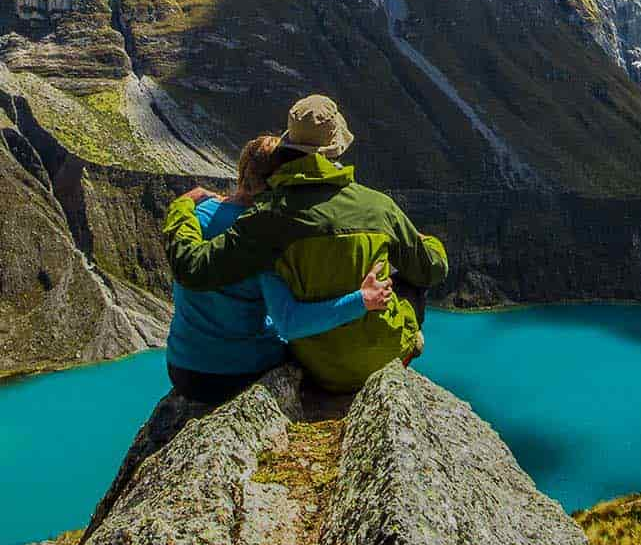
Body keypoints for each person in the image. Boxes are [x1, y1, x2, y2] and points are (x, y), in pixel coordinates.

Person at [164, 95, 448, 393]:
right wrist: (427, 244)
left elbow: (194, 269)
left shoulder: (267, 217)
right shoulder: (380, 206)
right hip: (374, 349)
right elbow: (433, 269)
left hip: (312, 361)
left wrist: (182, 206)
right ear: (337, 147)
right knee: (412, 279)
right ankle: (404, 347)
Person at [166, 134, 394, 404]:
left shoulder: (199, 211)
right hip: (237, 374)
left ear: (242, 171)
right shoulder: (266, 232)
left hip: (182, 370)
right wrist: (361, 300)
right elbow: (289, 322)